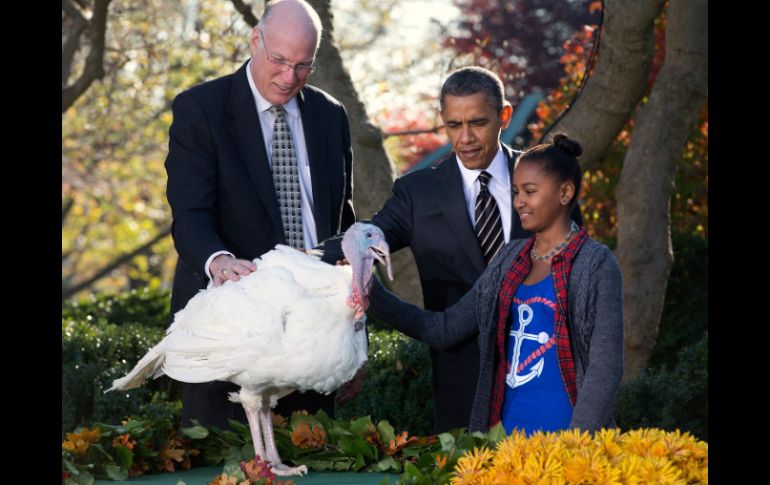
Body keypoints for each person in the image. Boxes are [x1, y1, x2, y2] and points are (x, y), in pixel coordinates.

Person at [328, 66, 583, 433]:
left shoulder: (545, 178)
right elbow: (361, 241)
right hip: (461, 393)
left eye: (477, 122)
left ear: (504, 116)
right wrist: (295, 260)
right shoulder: (417, 194)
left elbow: (576, 274)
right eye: (453, 125)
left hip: (545, 381)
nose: (465, 138)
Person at [164, 0, 358, 429]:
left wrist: (353, 335)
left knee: (311, 466)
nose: (289, 78)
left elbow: (342, 226)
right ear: (255, 40)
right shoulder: (201, 109)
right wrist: (218, 260)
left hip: (311, 340)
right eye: (279, 60)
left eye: (303, 66)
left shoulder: (330, 116)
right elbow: (190, 213)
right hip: (233, 340)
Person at [367, 134, 623, 435]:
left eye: (530, 191)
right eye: (515, 192)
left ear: (565, 192)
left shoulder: (595, 264)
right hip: (503, 444)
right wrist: (369, 291)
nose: (519, 202)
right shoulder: (509, 260)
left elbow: (605, 368)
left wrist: (577, 446)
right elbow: (445, 329)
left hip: (567, 447)